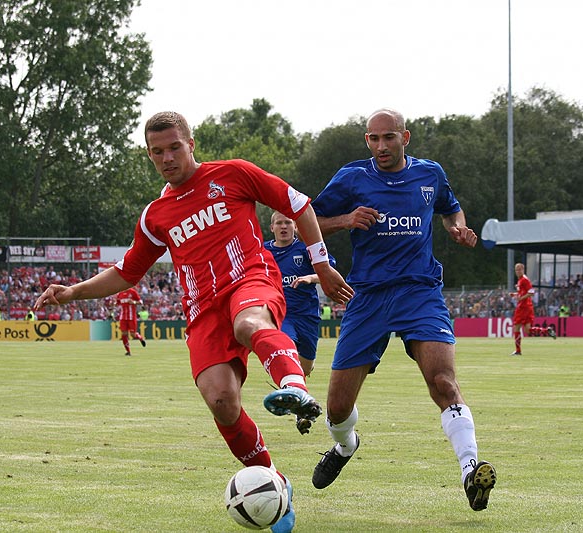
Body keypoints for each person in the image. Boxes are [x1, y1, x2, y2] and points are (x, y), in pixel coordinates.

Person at [34, 111, 353, 533]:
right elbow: (128, 272)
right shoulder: (155, 215)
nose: (167, 158)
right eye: (157, 152)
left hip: (250, 279)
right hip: (202, 311)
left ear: (191, 144)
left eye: (174, 147)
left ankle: (293, 385)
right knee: (221, 401)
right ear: (149, 156)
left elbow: (299, 205)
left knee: (249, 323)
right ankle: (274, 484)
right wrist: (74, 291)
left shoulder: (235, 174)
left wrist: (322, 265)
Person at [309, 108, 496, 511]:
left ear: (405, 137)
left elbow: (451, 207)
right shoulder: (352, 177)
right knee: (338, 408)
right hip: (368, 298)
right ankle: (344, 447)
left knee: (443, 381)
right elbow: (309, 220)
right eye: (373, 139)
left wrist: (455, 227)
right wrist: (346, 219)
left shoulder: (430, 174)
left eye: (388, 138)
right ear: (366, 141)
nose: (380, 146)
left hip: (419, 292)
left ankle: (470, 470)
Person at [264, 210, 337, 435]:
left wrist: (311, 278)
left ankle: (297, 396)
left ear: (295, 226)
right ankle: (298, 407)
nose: (284, 226)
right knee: (287, 351)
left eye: (288, 222)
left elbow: (331, 269)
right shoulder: (263, 251)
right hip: (281, 315)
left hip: (307, 317)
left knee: (305, 367)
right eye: (279, 223)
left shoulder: (306, 249)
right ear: (272, 227)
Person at [509, 263, 556, 355]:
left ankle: (518, 351)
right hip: (527, 307)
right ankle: (547, 331)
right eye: (516, 270)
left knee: (516, 327)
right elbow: (523, 292)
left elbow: (531, 292)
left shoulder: (524, 280)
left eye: (519, 269)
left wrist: (520, 298)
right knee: (527, 330)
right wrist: (515, 295)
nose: (518, 271)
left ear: (523, 270)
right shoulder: (520, 280)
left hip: (523, 307)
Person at [115, 287, 147, 356]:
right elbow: (117, 303)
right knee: (124, 334)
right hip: (123, 317)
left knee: (133, 334)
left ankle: (140, 338)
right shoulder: (119, 294)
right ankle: (128, 351)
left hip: (131, 317)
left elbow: (141, 302)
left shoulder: (132, 292)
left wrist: (134, 302)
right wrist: (114, 304)